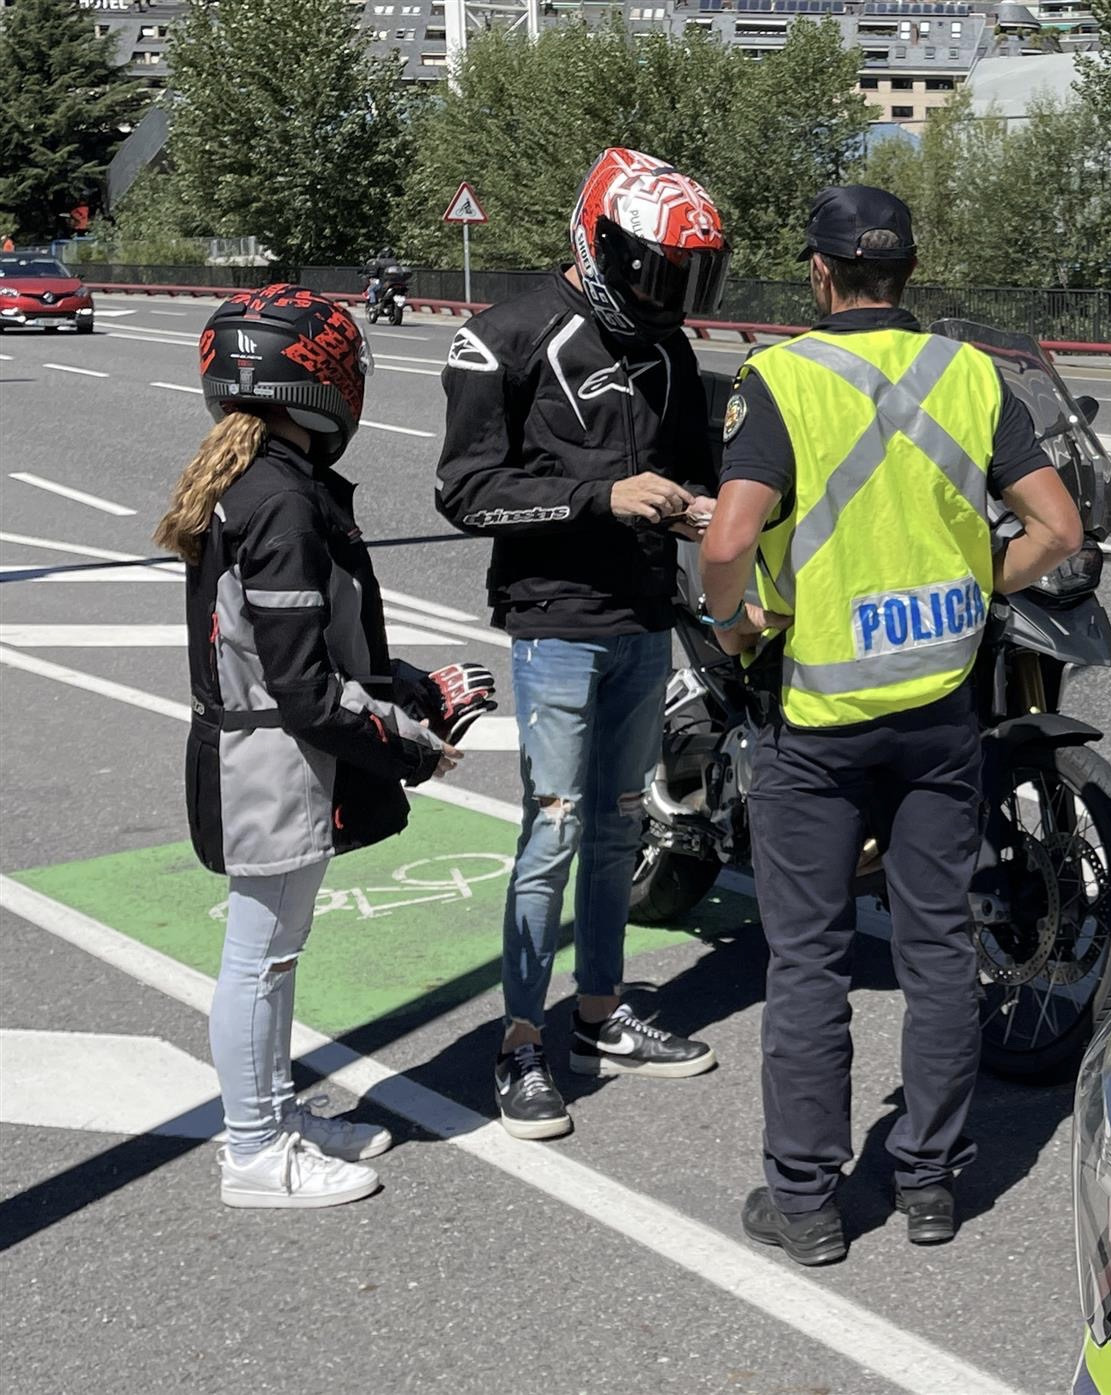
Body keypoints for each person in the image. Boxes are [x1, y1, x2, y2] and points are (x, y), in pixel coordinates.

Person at [699, 185, 1083, 1265]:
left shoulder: (781, 379)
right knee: (936, 951)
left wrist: (736, 628)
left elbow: (728, 540)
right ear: (908, 273)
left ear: (820, 275)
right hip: (937, 716)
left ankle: (809, 1202)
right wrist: (982, 586)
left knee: (811, 961)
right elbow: (1058, 523)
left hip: (816, 723)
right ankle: (927, 1184)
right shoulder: (972, 376)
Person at [155, 284, 496, 1208]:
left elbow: (312, 651)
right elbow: (304, 684)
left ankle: (272, 1111)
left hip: (263, 752)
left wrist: (412, 688)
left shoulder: (261, 479)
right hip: (267, 763)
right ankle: (256, 1149)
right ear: (319, 383)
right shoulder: (281, 500)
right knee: (259, 958)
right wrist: (413, 746)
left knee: (274, 952)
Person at [434, 148, 732, 1140]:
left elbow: (691, 467)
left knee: (617, 827)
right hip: (557, 622)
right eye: (655, 270)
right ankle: (522, 1040)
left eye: (686, 278)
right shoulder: (501, 339)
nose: (669, 295)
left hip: (647, 619)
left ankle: (600, 1010)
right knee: (553, 829)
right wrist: (602, 496)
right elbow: (466, 493)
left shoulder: (669, 350)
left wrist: (697, 508)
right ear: (597, 240)